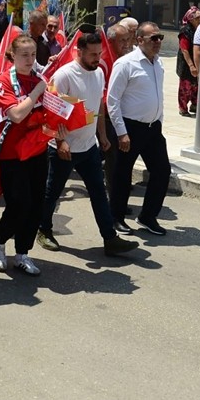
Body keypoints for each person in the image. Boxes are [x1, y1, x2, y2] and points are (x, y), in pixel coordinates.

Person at [38, 32, 139, 257]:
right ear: (79, 52)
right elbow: (51, 112)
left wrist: (102, 135)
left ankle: (110, 238)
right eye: (92, 54)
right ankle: (44, 230)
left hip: (89, 147)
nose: (97, 58)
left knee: (99, 193)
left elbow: (98, 106)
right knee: (52, 192)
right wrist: (60, 142)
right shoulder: (64, 75)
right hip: (64, 149)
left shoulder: (99, 73)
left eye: (99, 53)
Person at [0, 34, 50, 276]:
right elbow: (16, 115)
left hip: (37, 151)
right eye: (24, 55)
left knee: (36, 204)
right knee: (18, 203)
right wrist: (36, 92)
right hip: (12, 153)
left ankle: (23, 252)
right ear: (13, 55)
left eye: (33, 54)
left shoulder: (39, 79)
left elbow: (49, 113)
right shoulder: (3, 81)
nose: (30, 59)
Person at [106, 22, 171, 235]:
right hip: (130, 128)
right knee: (122, 174)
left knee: (162, 171)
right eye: (154, 38)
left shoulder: (158, 63)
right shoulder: (126, 64)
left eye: (160, 37)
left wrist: (159, 120)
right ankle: (116, 218)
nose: (158, 42)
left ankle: (148, 216)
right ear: (140, 40)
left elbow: (158, 95)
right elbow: (112, 100)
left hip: (153, 128)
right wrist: (121, 132)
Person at [176, 7, 200, 116]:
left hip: (198, 61)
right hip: (187, 63)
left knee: (197, 86)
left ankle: (195, 105)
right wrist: (191, 65)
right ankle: (183, 108)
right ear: (191, 19)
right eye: (197, 18)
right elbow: (184, 50)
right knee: (186, 87)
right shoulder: (185, 31)